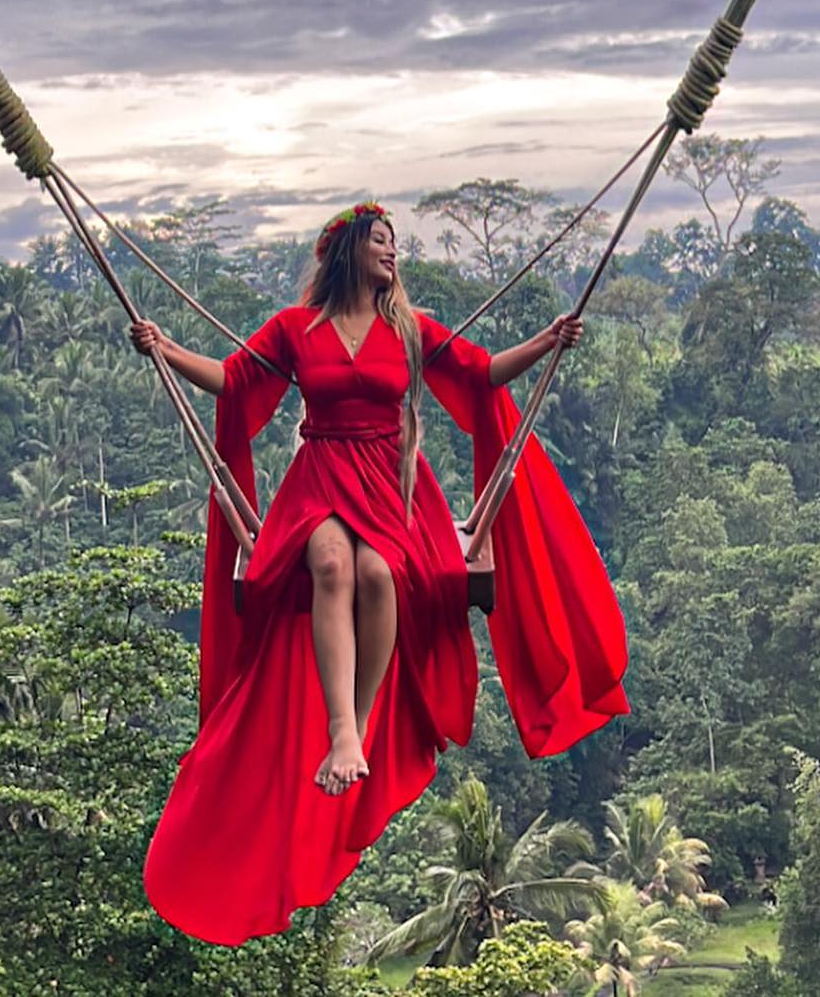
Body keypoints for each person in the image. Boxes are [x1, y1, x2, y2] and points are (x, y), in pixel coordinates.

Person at [134, 201, 628, 946]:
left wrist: (548, 342)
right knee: (330, 563)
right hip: (321, 475)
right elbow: (236, 382)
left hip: (391, 482)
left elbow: (482, 374)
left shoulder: (409, 328)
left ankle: (359, 727)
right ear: (348, 253)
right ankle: (341, 730)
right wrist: (166, 350)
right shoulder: (295, 329)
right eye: (381, 241)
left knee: (381, 576)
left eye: (395, 243)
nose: (393, 253)